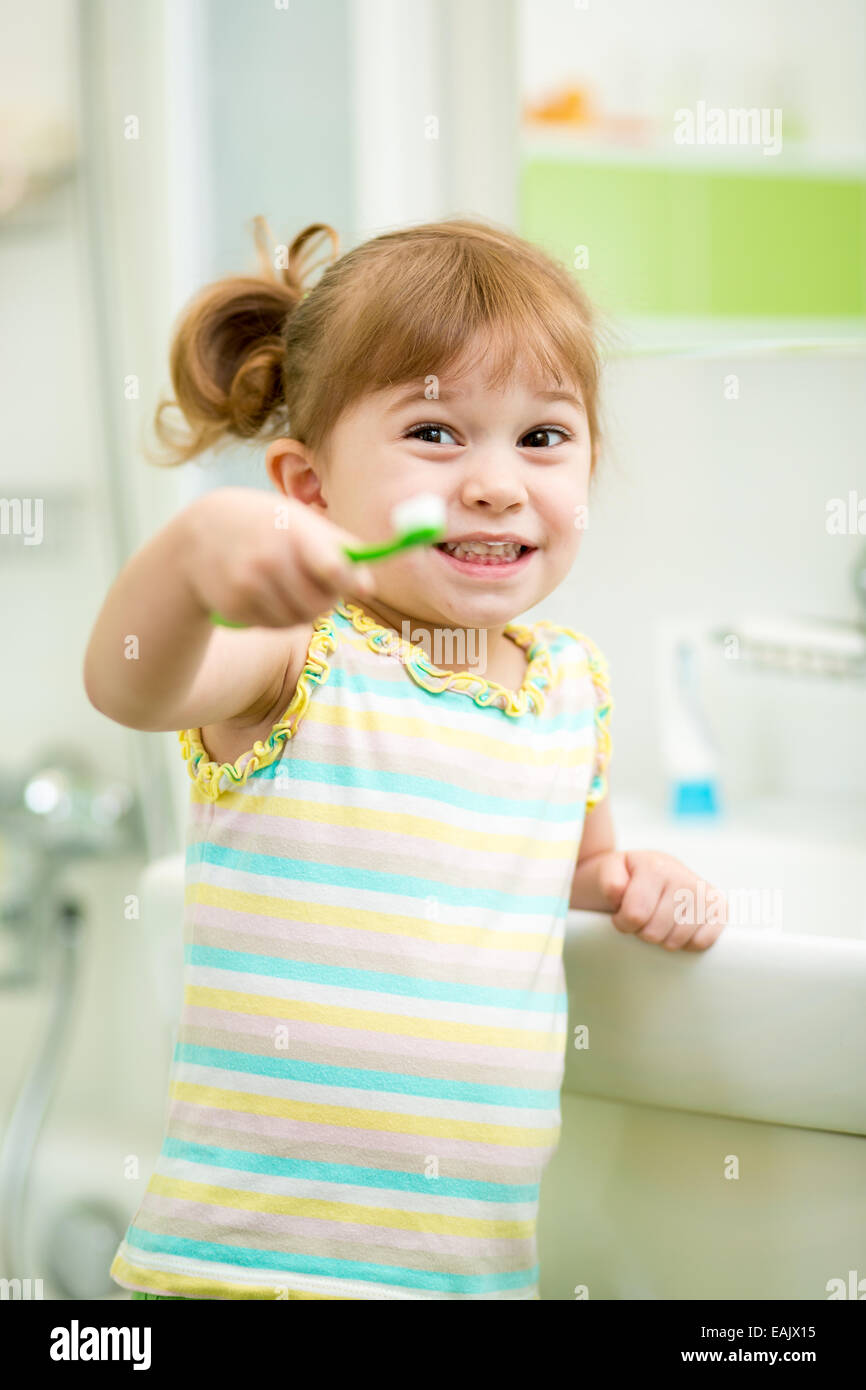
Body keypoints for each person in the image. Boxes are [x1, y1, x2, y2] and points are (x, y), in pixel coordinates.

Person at [84, 215, 726, 1301]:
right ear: (305, 485)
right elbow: (129, 683)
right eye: (435, 432)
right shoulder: (304, 655)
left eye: (540, 437)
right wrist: (191, 556)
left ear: (587, 466)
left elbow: (562, 870)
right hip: (248, 1270)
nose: (493, 483)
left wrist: (634, 881)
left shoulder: (569, 685)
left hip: (468, 1276)